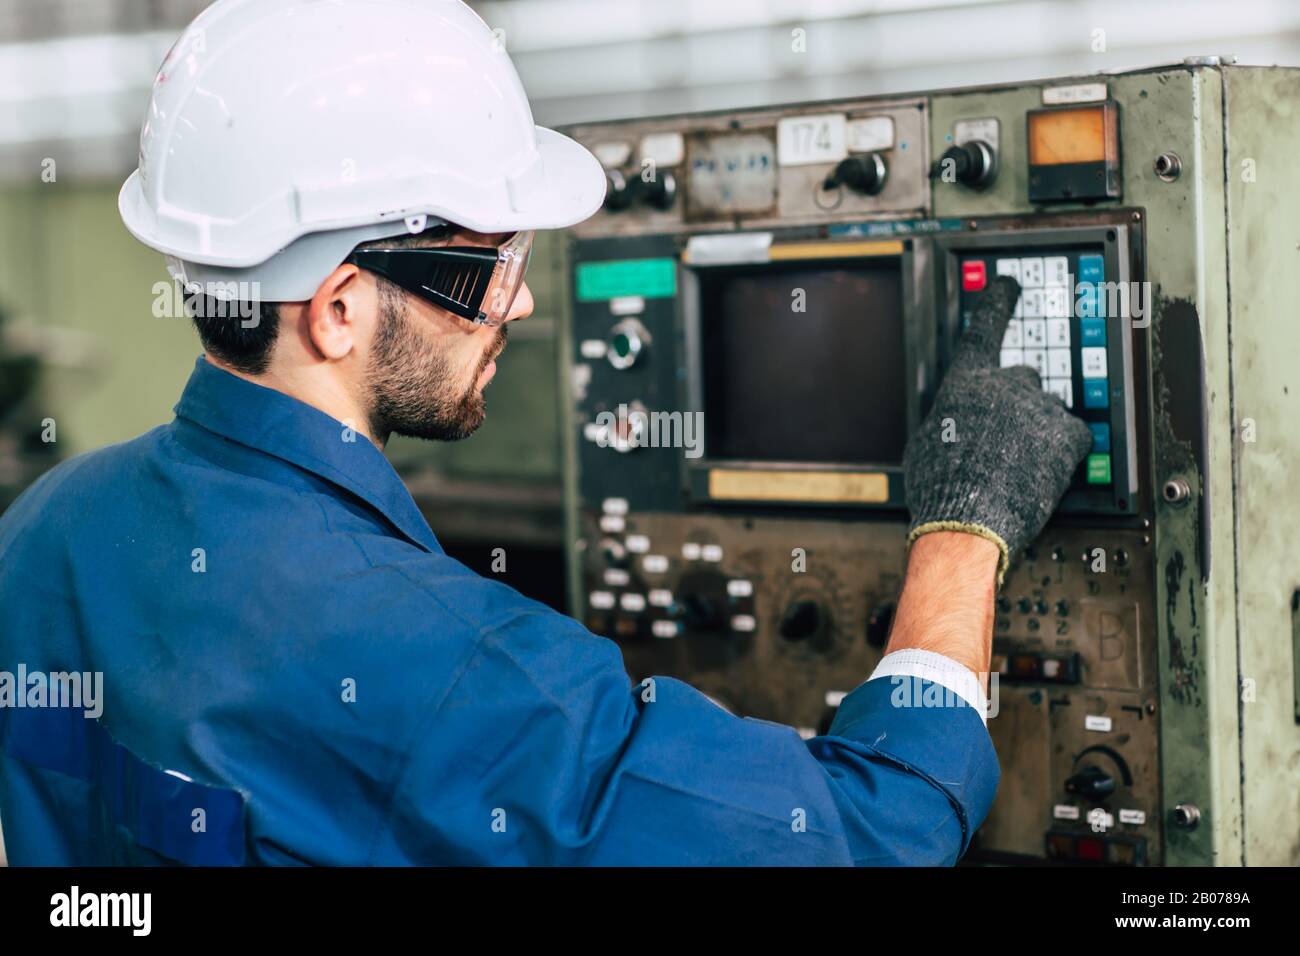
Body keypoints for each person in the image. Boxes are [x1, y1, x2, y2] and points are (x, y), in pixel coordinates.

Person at [0, 0, 1090, 866]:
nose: (517, 306)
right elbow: (881, 828)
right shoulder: (450, 669)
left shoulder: (47, 529)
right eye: (488, 269)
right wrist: (962, 524)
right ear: (335, 309)